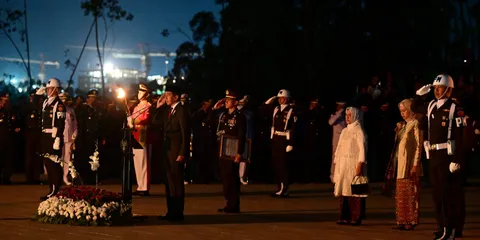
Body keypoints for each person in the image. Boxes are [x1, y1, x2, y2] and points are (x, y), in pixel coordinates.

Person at [416, 74, 466, 239]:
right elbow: (419, 117)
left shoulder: (454, 108)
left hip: (447, 155)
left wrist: (456, 159)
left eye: (440, 88)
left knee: (447, 194)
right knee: (437, 194)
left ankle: (449, 229)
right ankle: (441, 226)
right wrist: (420, 97)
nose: (436, 91)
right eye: (435, 88)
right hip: (434, 155)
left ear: (448, 89)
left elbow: (460, 135)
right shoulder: (431, 105)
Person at [155, 85, 189, 222]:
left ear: (175, 97)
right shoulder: (168, 110)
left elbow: (185, 133)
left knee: (177, 182)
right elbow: (156, 122)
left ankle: (178, 213)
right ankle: (170, 211)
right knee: (169, 183)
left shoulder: (181, 110)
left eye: (168, 95)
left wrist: (182, 152)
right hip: (167, 151)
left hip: (176, 151)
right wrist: (158, 107)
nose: (166, 98)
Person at [390, 99, 423, 231]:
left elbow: (418, 146)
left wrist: (415, 164)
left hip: (410, 164)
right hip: (401, 165)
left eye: (404, 111)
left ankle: (411, 220)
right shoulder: (403, 125)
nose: (402, 113)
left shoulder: (415, 124)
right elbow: (398, 146)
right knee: (401, 194)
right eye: (401, 111)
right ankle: (401, 220)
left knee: (411, 193)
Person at [333, 107, 367, 226]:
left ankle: (356, 217)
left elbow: (362, 148)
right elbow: (339, 147)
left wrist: (360, 164)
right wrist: (336, 161)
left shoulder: (358, 130)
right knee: (344, 190)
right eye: (346, 115)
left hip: (353, 164)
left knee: (354, 191)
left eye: (349, 115)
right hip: (343, 165)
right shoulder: (345, 131)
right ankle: (344, 216)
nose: (347, 118)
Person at [213, 90, 247, 213]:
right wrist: (214, 109)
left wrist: (240, 152)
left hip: (233, 150)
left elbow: (242, 135)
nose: (226, 102)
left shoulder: (239, 116)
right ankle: (228, 202)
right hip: (223, 149)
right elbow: (212, 124)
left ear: (235, 102)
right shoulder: (223, 115)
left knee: (232, 178)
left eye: (229, 100)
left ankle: (234, 204)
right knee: (225, 178)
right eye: (225, 99)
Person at [36, 78, 67, 200]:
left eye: (49, 89)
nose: (48, 91)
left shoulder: (59, 105)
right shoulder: (46, 102)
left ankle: (56, 190)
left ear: (55, 89)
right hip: (45, 137)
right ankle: (51, 190)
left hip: (54, 137)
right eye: (47, 89)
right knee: (48, 164)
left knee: (54, 164)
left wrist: (58, 138)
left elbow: (60, 123)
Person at [263, 89, 297, 197]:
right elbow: (262, 109)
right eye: (279, 98)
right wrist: (270, 100)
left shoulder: (291, 111)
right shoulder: (276, 109)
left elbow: (293, 128)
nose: (280, 100)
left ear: (287, 99)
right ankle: (279, 188)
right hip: (276, 139)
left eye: (282, 98)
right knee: (276, 165)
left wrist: (290, 143)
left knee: (283, 165)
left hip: (284, 140)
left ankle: (284, 188)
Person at [128, 84, 152, 196]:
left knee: (143, 161)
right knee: (137, 161)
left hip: (142, 134)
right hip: (135, 134)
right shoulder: (137, 106)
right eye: (138, 91)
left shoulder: (148, 105)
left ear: (146, 94)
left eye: (141, 92)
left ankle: (144, 187)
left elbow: (145, 118)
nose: (139, 94)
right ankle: (140, 185)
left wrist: (133, 121)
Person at [59, 92, 78, 185]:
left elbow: (74, 124)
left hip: (69, 137)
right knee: (59, 157)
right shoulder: (56, 110)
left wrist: (74, 135)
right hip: (59, 137)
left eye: (65, 99)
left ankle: (65, 176)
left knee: (67, 158)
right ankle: (58, 176)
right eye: (62, 99)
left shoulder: (71, 110)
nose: (64, 101)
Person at [329, 102, 347, 182]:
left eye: (342, 107)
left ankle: (342, 176)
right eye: (340, 107)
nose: (341, 108)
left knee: (343, 159)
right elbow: (330, 122)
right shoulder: (334, 115)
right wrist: (339, 113)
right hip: (336, 141)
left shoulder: (346, 117)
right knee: (335, 159)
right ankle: (333, 176)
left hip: (344, 140)